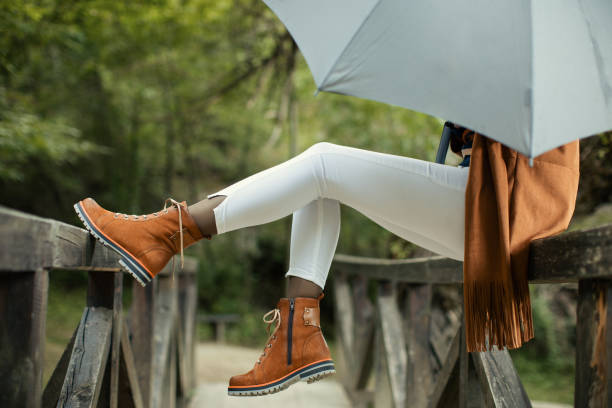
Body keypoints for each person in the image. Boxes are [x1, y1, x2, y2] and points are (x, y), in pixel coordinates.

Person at [73, 124, 576, 395]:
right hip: (497, 200)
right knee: (319, 186)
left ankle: (163, 234)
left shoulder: (532, 54)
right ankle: (299, 335)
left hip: (508, 206)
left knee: (323, 163)